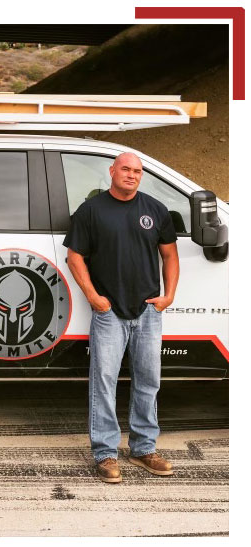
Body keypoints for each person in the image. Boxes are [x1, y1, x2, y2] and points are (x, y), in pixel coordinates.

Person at [64, 152, 179, 483]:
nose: (132, 175)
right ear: (112, 171)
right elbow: (75, 258)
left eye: (138, 171)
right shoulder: (91, 211)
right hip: (109, 312)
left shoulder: (155, 210)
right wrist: (94, 298)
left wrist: (168, 296)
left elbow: (169, 256)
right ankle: (105, 454)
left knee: (148, 381)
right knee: (104, 383)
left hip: (148, 311)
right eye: (126, 169)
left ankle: (144, 449)